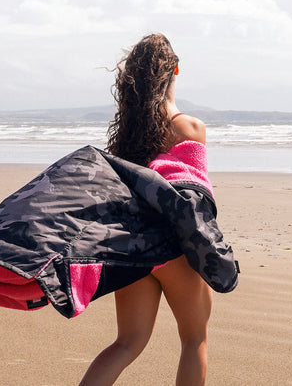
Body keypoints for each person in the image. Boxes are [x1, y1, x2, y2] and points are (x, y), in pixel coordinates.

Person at [79, 33, 212, 386]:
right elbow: (194, 197)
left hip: (135, 249)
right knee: (193, 338)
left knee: (127, 343)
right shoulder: (189, 127)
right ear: (176, 70)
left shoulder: (127, 138)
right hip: (173, 248)